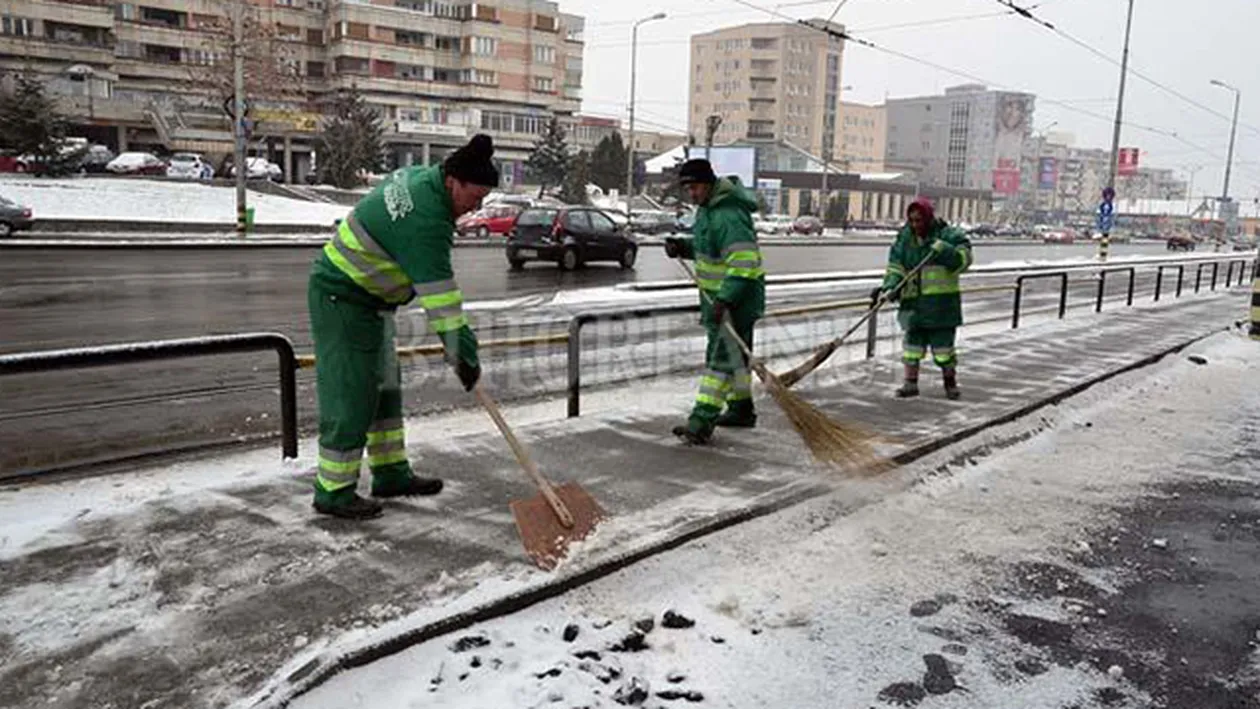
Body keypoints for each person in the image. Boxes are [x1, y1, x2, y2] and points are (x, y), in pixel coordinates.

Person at [306, 134, 497, 519]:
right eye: (472, 198)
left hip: (371, 303)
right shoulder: (426, 221)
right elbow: (442, 303)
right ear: (452, 181)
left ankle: (390, 473)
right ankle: (333, 491)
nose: (473, 208)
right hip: (342, 297)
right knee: (353, 391)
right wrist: (465, 355)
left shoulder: (421, 178)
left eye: (482, 201)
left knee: (384, 390)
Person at [663, 159, 766, 444]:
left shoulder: (728, 215)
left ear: (708, 184)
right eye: (687, 189)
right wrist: (683, 247)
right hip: (721, 300)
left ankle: (700, 422)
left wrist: (725, 299)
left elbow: (744, 262)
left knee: (719, 360)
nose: (691, 194)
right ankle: (742, 409)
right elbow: (709, 248)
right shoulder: (708, 211)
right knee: (736, 359)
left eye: (695, 187)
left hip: (735, 301)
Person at [876, 197, 973, 400]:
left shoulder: (949, 236)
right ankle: (910, 384)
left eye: (919, 220)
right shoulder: (904, 240)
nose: (915, 225)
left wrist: (946, 251)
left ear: (928, 219)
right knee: (911, 349)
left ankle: (950, 384)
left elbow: (963, 261)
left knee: (943, 351)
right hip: (913, 306)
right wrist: (890, 287)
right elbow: (895, 267)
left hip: (941, 308)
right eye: (911, 220)